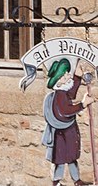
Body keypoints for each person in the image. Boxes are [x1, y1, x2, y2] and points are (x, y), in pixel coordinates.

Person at [42, 58, 93, 186]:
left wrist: (77, 76)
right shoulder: (59, 95)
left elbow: (71, 93)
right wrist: (82, 104)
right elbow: (65, 111)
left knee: (72, 157)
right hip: (61, 133)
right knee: (60, 159)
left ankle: (76, 180)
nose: (68, 76)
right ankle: (57, 181)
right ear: (59, 80)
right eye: (65, 75)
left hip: (68, 130)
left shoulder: (64, 92)